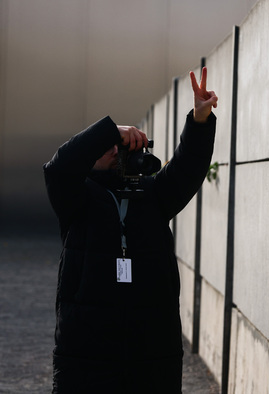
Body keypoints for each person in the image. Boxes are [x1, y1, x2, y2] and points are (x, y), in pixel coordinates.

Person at [43, 67, 218, 393]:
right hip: (86, 353)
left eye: (120, 148)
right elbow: (59, 167)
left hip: (152, 351)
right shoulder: (76, 199)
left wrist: (200, 119)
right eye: (107, 147)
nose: (114, 151)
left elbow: (189, 166)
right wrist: (111, 130)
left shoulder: (153, 196)